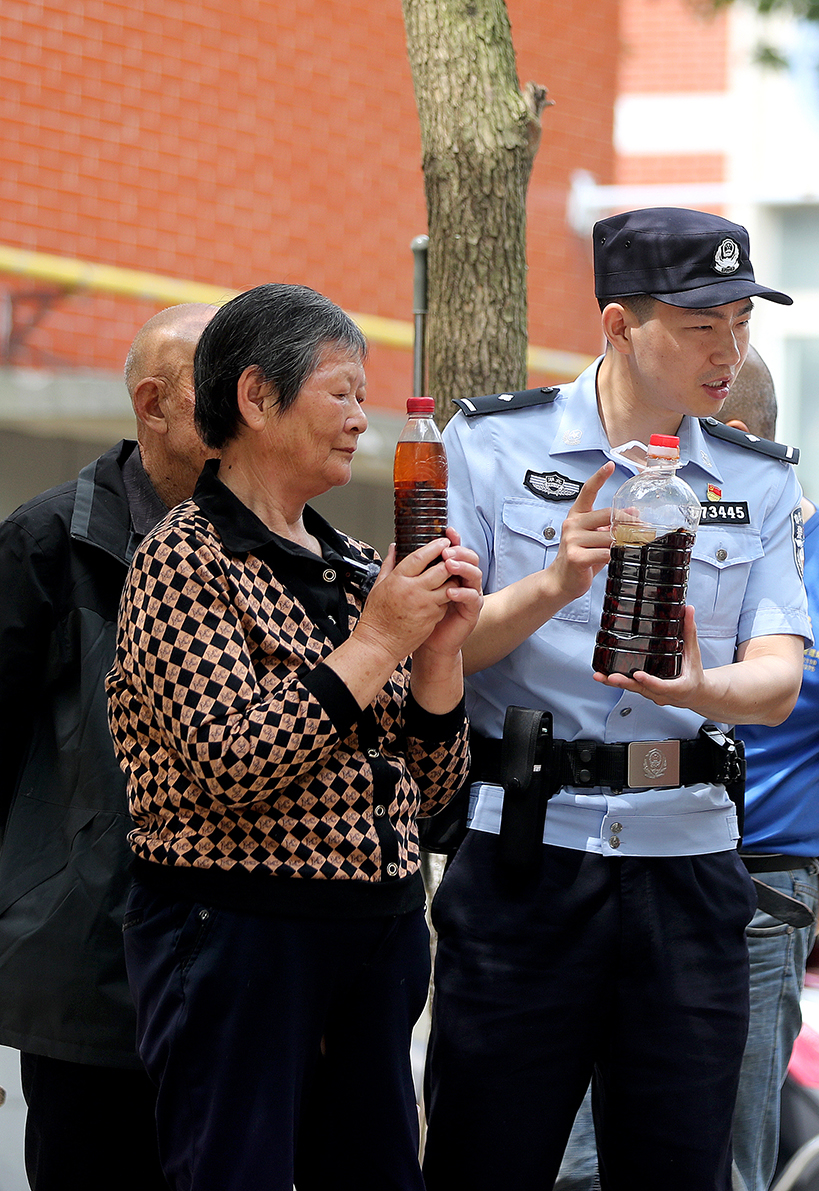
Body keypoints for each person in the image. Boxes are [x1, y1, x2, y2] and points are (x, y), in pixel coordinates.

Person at [424, 207, 812, 1191]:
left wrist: (703, 687)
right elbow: (435, 653)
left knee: (679, 1170)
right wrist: (553, 583)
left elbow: (777, 678)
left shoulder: (757, 479)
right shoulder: (491, 445)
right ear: (618, 326)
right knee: (483, 1162)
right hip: (524, 857)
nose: (728, 353)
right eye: (700, 326)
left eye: (741, 324)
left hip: (687, 864)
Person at [107, 283, 480, 1191]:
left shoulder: (352, 564)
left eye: (364, 396)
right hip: (239, 937)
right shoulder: (183, 556)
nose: (361, 418)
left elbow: (434, 802)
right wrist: (380, 640)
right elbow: (233, 758)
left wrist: (438, 661)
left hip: (375, 936)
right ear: (256, 396)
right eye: (341, 392)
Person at [553, 352, 819, 1191]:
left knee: (717, 1165)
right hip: (598, 871)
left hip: (751, 895)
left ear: (733, 442)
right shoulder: (637, 537)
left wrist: (799, 905)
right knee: (576, 1166)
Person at [0, 303, 215, 1191]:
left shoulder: (273, 544)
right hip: (87, 964)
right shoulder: (50, 539)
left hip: (232, 969)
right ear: (153, 403)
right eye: (219, 381)